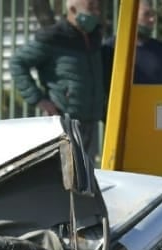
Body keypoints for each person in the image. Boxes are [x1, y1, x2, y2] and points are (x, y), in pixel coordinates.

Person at [9, 0, 107, 159]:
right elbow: (17, 63)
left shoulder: (94, 38)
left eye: (97, 7)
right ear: (73, 10)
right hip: (65, 121)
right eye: (91, 8)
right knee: (67, 176)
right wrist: (39, 100)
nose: (96, 13)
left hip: (91, 121)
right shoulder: (54, 38)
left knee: (88, 176)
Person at [102, 0, 162, 86]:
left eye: (153, 14)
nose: (152, 19)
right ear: (131, 16)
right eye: (146, 14)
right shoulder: (110, 48)